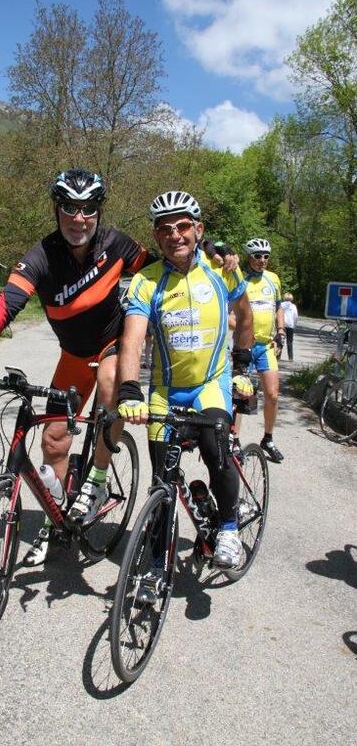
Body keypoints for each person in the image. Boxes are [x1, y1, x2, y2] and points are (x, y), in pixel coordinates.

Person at [0, 170, 233, 566]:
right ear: (56, 209)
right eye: (69, 209)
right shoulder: (40, 258)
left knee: (112, 382)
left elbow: (172, 255)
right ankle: (56, 515)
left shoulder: (117, 245)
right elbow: (3, 309)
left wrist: (210, 245)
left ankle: (96, 479)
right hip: (72, 356)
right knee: (54, 440)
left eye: (88, 209)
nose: (79, 219)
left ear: (98, 211)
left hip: (112, 345)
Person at [117, 190, 254, 571]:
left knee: (215, 446)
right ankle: (157, 558)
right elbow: (131, 338)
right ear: (157, 237)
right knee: (163, 477)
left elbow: (245, 318)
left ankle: (228, 528)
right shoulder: (145, 282)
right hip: (164, 390)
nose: (175, 235)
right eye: (165, 229)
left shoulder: (222, 272)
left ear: (198, 229)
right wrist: (129, 391)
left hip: (211, 382)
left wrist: (243, 369)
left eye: (182, 226)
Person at [233, 238, 285, 463]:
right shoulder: (239, 280)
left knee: (272, 394)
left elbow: (278, 307)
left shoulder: (273, 279)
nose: (262, 260)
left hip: (265, 346)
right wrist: (243, 328)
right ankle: (233, 441)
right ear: (249, 257)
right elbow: (231, 315)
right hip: (245, 346)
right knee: (242, 397)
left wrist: (280, 332)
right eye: (257, 256)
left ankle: (268, 438)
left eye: (266, 256)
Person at [280, 292, 298, 361]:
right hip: (290, 325)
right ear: (291, 298)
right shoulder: (293, 306)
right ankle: (290, 358)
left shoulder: (281, 305)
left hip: (282, 325)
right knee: (289, 342)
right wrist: (294, 324)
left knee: (281, 340)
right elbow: (295, 316)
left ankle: (278, 356)